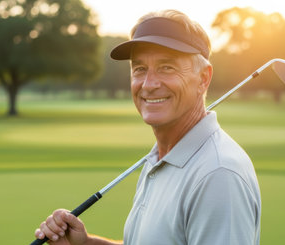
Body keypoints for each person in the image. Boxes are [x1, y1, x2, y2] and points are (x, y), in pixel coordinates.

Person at [34, 9, 261, 245]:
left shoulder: (218, 174)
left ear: (203, 78)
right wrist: (86, 244)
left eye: (167, 67)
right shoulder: (160, 157)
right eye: (140, 69)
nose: (149, 84)